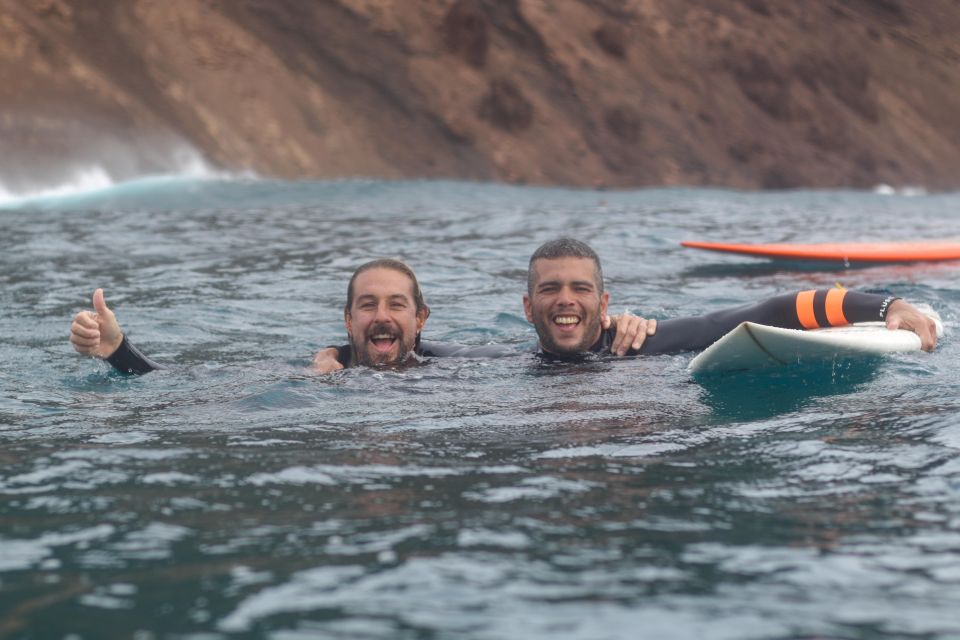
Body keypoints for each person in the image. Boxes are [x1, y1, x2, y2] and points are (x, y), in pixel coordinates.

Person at [70, 258, 651, 374]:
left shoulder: (459, 366)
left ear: (420, 319)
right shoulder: (320, 372)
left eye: (395, 304)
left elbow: (550, 360)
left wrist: (614, 334)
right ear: (347, 320)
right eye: (368, 305)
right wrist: (118, 350)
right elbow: (184, 391)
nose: (381, 315)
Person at [522, 238, 938, 360]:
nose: (565, 300)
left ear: (605, 303)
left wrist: (888, 306)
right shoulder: (495, 365)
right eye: (549, 289)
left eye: (581, 288)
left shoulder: (636, 346)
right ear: (527, 307)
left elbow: (773, 311)